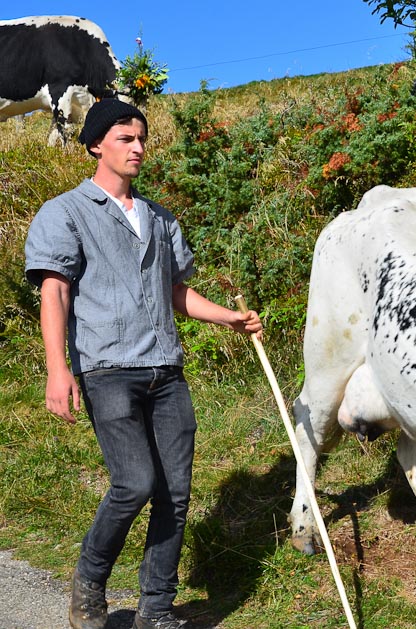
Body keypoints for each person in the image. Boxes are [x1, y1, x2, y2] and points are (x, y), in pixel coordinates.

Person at [24, 99, 263, 629]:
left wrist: (229, 318)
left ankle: (156, 610)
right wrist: (57, 368)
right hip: (107, 370)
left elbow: (177, 292)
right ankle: (89, 583)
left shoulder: (159, 217)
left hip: (166, 370)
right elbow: (55, 292)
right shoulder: (65, 212)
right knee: (134, 482)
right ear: (95, 145)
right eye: (125, 139)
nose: (137, 148)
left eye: (141, 139)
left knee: (174, 493)